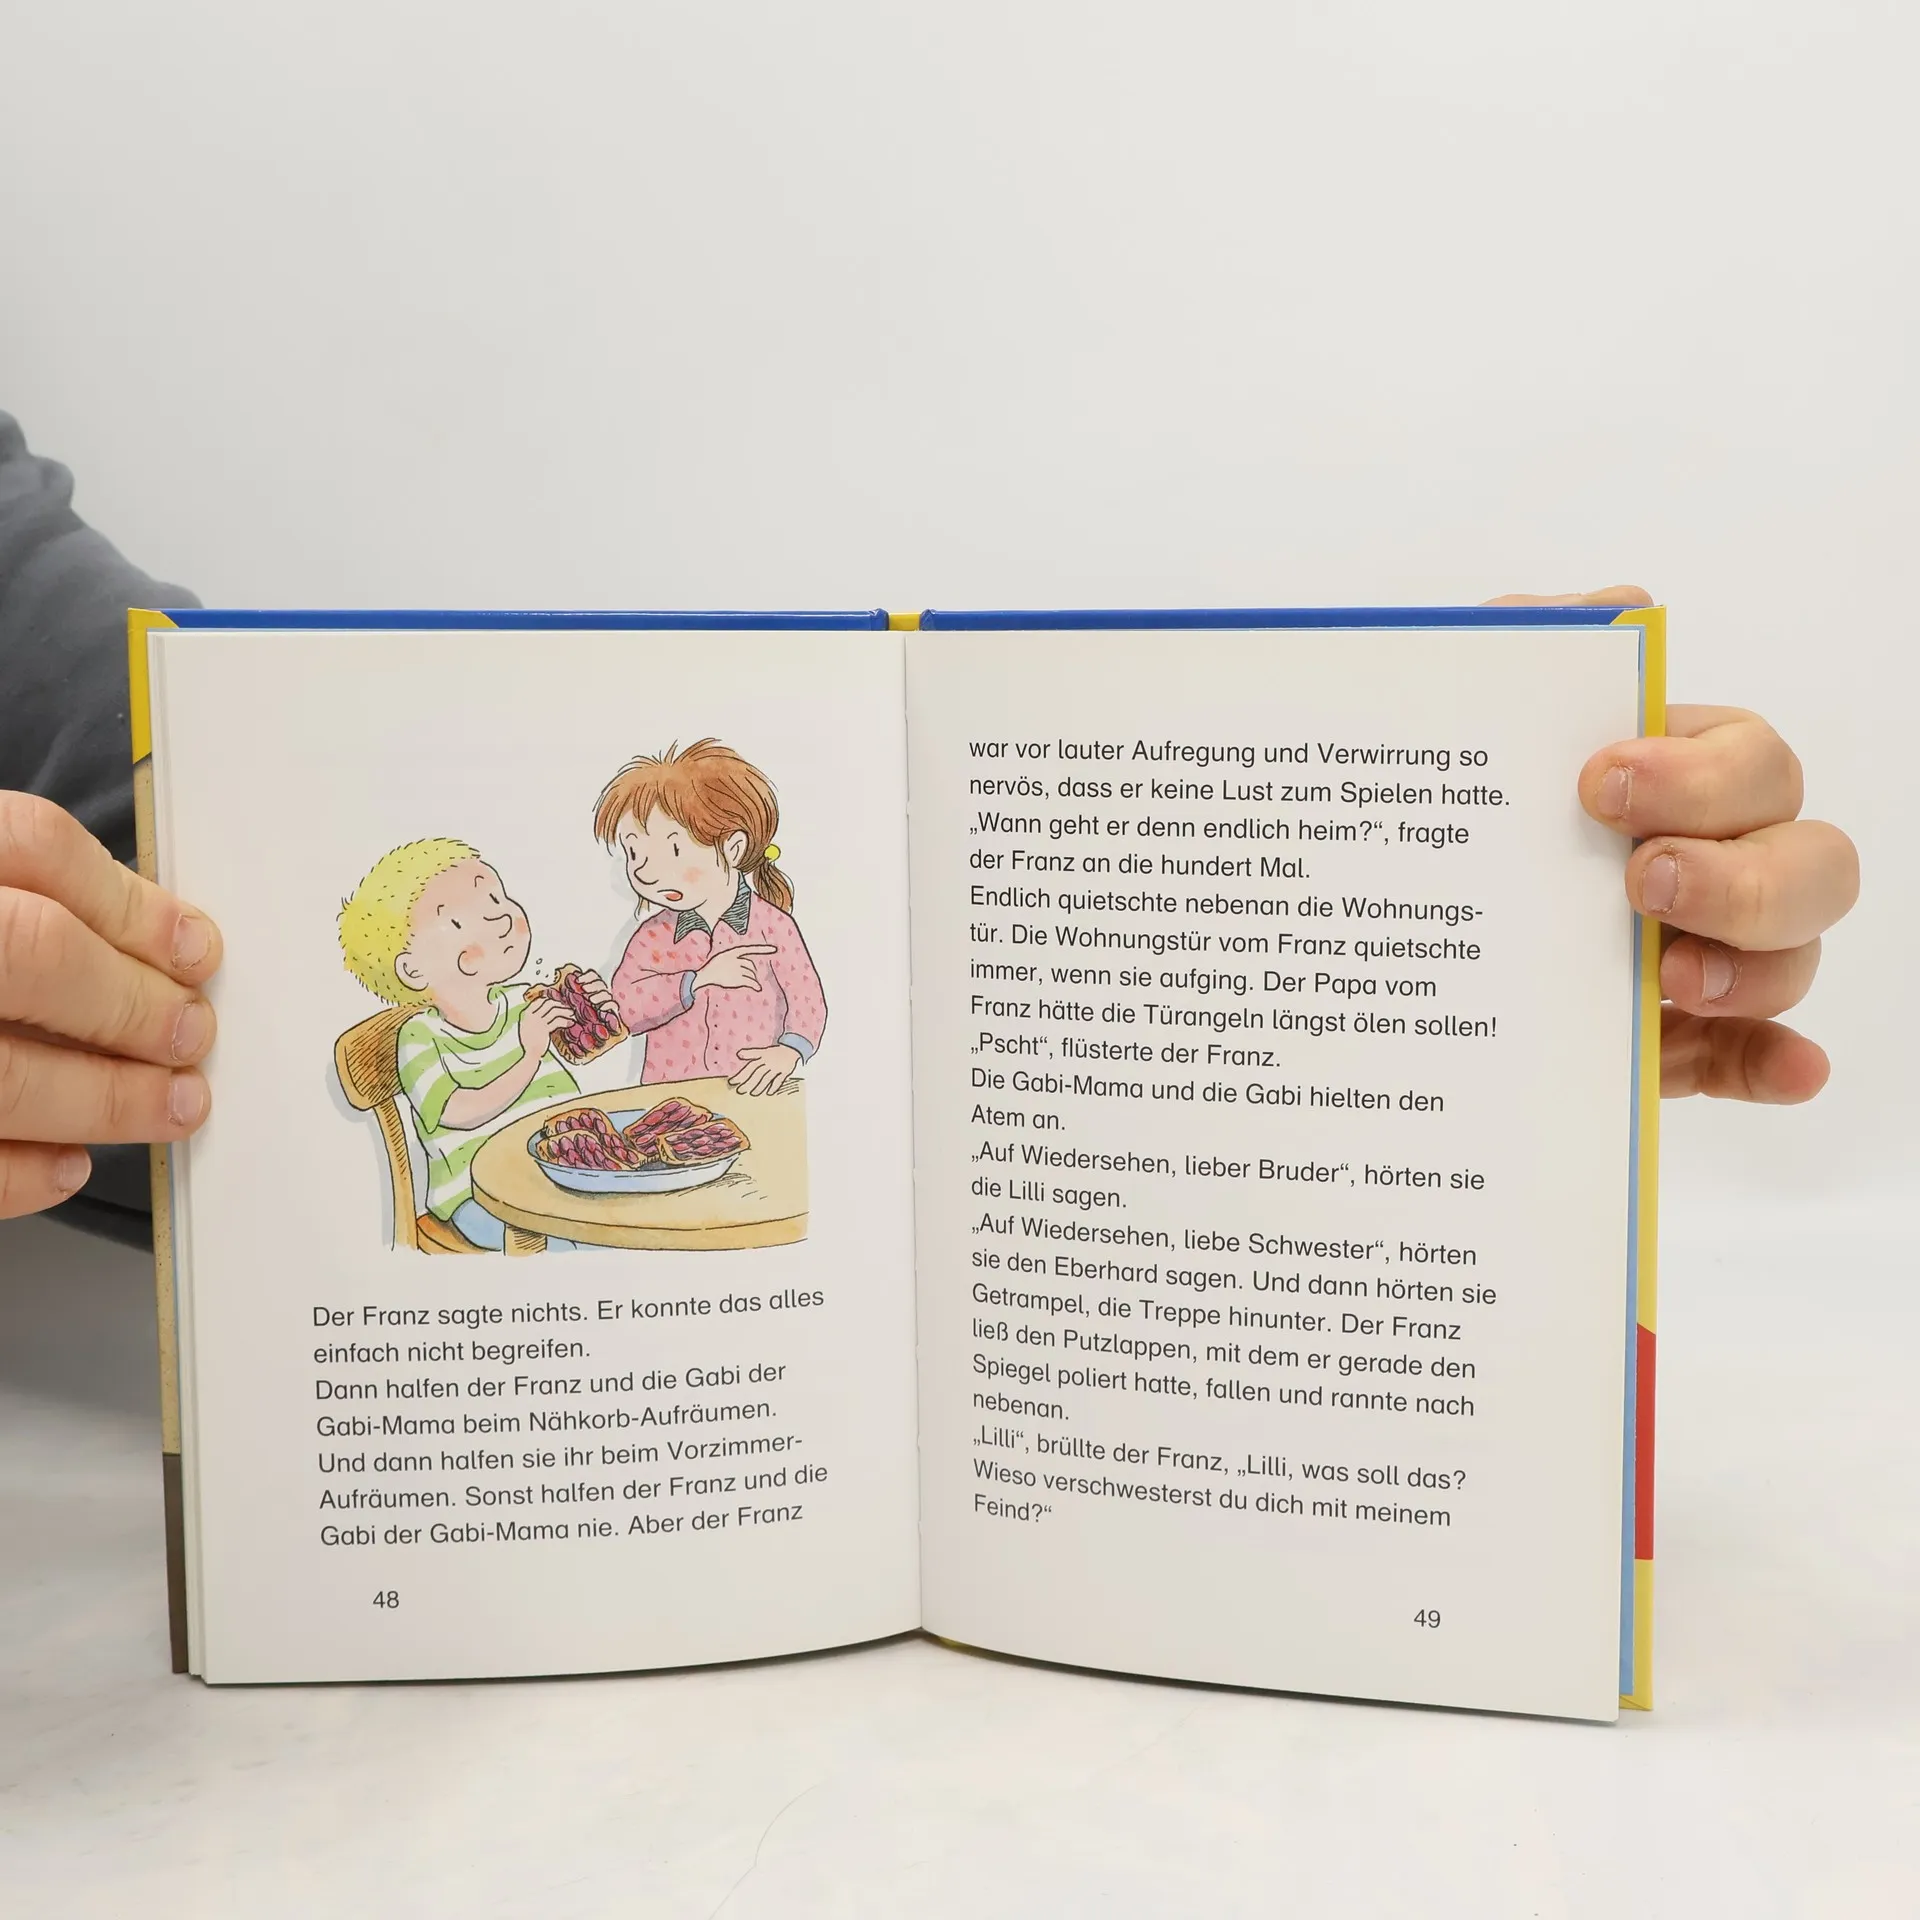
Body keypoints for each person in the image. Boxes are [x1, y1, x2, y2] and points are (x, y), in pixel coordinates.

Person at [0, 412, 1861, 1241]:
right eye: (635, 864)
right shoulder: (642, 947)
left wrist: (1389, 981)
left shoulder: (760, 934)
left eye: (668, 859)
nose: (647, 885)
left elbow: (140, 849)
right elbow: (543, 1012)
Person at [337, 838, 615, 1250]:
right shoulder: (420, 1038)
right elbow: (459, 1112)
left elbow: (587, 1047)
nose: (500, 918)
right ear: (413, 969)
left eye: (496, 899)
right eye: (458, 922)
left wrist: (597, 1009)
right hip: (479, 1197)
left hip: (565, 1172)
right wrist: (529, 1056)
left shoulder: (524, 1001)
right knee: (575, 1246)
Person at [596, 739, 828, 1096]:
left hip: (752, 1095)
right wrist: (696, 981)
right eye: (635, 853)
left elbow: (807, 999)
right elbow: (624, 1007)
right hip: (669, 1102)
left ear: (733, 848)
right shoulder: (652, 936)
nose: (646, 873)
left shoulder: (773, 927)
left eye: (674, 849)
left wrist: (790, 1051)